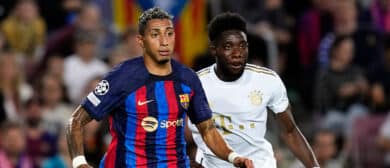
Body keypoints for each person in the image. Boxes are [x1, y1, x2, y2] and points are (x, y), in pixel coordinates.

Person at [66, 7, 253, 168]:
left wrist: (233, 157)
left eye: (169, 33)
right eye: (155, 34)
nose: (164, 41)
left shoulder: (188, 79)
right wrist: (79, 162)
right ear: (141, 41)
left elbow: (208, 130)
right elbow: (75, 121)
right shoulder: (122, 77)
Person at [186, 12, 319, 168]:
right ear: (214, 49)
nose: (237, 54)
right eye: (228, 47)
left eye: (242, 46)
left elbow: (290, 131)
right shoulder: (194, 84)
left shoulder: (268, 80)